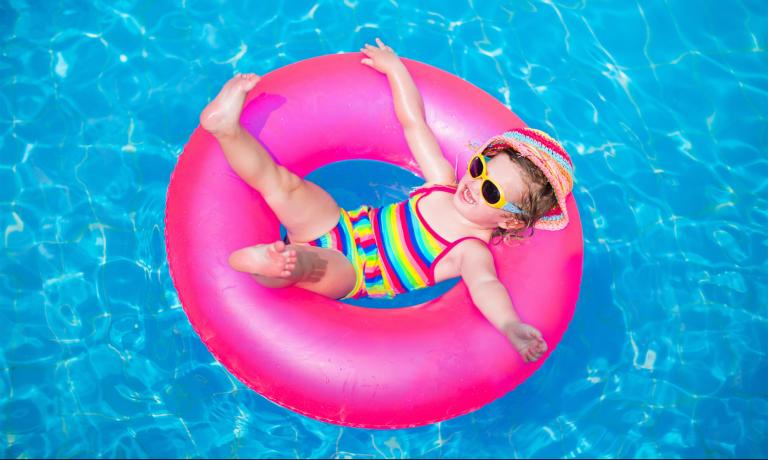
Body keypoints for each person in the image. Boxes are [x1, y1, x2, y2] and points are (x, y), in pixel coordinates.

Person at [199, 38, 574, 363]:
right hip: (341, 224)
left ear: (510, 221)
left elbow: (486, 287)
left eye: (491, 192)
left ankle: (271, 264)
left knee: (308, 266)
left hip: (355, 270)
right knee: (284, 185)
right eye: (479, 167)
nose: (474, 183)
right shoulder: (442, 181)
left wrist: (510, 325)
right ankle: (226, 129)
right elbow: (415, 125)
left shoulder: (470, 250)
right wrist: (395, 70)